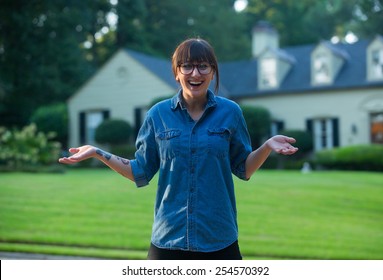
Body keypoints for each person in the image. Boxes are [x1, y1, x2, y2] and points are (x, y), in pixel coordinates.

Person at [59, 38, 298, 260]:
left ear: (213, 71)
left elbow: (244, 169)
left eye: (203, 66)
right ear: (176, 73)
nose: (195, 73)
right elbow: (139, 171)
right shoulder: (158, 115)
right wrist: (97, 152)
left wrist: (266, 146)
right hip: (168, 239)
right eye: (187, 66)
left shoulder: (231, 112)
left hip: (219, 238)